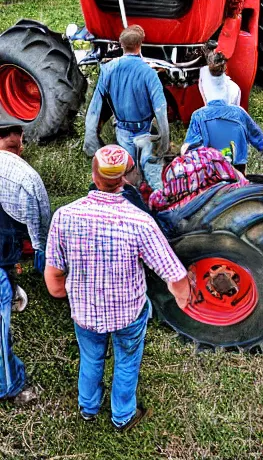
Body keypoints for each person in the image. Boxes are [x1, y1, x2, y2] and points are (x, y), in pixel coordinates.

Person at [44, 145, 190, 431]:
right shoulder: (140, 222)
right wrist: (184, 300)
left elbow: (54, 280)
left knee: (91, 357)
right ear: (124, 178)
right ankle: (122, 416)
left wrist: (67, 294)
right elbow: (173, 275)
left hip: (84, 313)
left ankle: (88, 407)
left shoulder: (64, 215)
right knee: (126, 362)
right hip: (128, 313)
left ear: (94, 175)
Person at [0, 124, 50, 402]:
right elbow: (40, 228)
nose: (17, 153)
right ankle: (10, 386)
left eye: (19, 148)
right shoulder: (25, 180)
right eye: (11, 147)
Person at [83, 25, 170, 160]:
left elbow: (95, 107)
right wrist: (164, 144)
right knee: (146, 169)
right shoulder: (149, 73)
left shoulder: (107, 69)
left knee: (127, 169)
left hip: (122, 131)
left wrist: (90, 142)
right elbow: (160, 109)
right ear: (140, 44)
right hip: (144, 131)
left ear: (121, 44)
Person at [181, 100, 263, 174]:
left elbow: (189, 146)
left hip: (212, 165)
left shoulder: (198, 115)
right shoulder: (239, 112)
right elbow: (259, 138)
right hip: (237, 163)